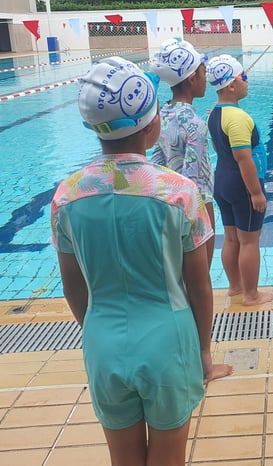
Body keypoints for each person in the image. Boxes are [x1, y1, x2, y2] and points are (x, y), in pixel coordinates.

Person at [51, 57, 231, 466]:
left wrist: (99, 331)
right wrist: (203, 350)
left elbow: (73, 287)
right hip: (168, 341)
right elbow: (199, 287)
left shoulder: (67, 195)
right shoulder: (179, 193)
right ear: (152, 126)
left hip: (103, 343)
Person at [206, 55, 272, 307]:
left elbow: (217, 146)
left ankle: (235, 286)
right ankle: (251, 295)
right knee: (249, 241)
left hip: (222, 181)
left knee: (232, 237)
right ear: (231, 85)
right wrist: (256, 193)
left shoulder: (215, 113)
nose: (247, 81)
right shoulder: (237, 117)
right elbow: (244, 158)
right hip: (242, 184)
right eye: (243, 77)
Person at [150, 38, 216, 268]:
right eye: (204, 73)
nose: (205, 79)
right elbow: (191, 181)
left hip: (166, 204)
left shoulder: (162, 115)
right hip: (196, 206)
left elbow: (156, 165)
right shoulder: (194, 124)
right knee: (200, 278)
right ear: (192, 78)